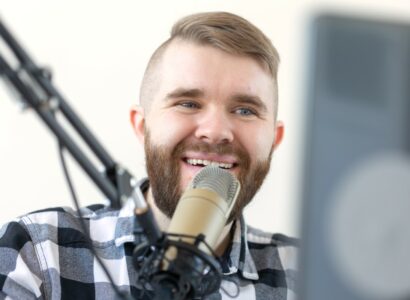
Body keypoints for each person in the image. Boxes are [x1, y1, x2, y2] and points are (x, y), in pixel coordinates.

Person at [0, 11, 298, 299]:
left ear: (274, 139)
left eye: (245, 110)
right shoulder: (36, 252)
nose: (216, 130)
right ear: (142, 126)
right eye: (188, 103)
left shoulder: (307, 275)